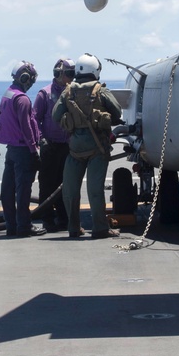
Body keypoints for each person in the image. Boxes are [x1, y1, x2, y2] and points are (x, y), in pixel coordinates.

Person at [52, 53, 123, 239]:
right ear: (95, 70)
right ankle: (100, 228)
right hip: (98, 148)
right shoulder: (100, 90)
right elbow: (116, 113)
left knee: (70, 191)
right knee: (95, 190)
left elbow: (55, 115)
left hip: (75, 149)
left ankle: (74, 228)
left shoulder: (68, 92)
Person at [0, 61, 46, 237]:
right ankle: (24, 226)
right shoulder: (23, 99)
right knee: (23, 191)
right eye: (31, 79)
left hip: (11, 150)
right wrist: (34, 152)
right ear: (25, 78)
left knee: (7, 190)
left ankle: (11, 225)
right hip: (23, 150)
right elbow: (26, 127)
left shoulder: (8, 94)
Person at [33, 58, 75, 232]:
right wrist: (42, 139)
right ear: (59, 74)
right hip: (50, 146)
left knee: (65, 184)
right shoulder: (45, 94)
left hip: (67, 146)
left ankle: (63, 217)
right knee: (47, 184)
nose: (72, 77)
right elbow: (35, 119)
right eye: (70, 74)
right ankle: (47, 218)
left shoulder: (73, 92)